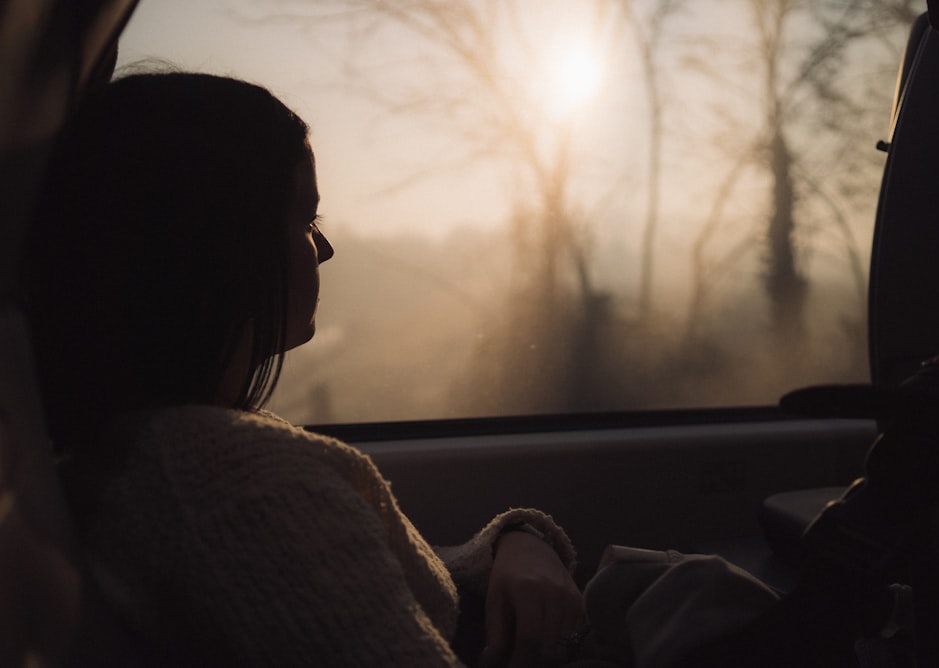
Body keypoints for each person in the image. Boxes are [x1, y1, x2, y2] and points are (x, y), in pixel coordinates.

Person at [23, 71, 586, 667]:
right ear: (225, 241)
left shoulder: (181, 457)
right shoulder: (237, 486)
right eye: (306, 219)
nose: (323, 248)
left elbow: (378, 583)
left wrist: (512, 544)